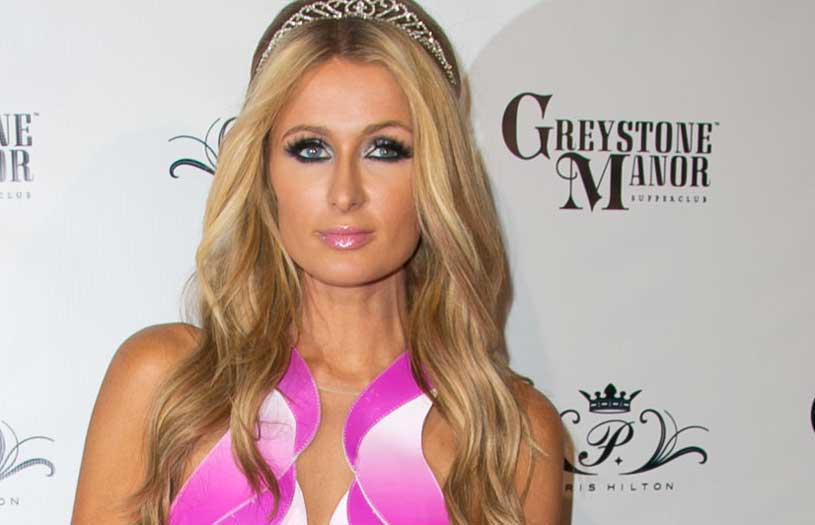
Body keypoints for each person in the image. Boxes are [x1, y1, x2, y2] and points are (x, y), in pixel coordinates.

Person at [71, 1, 564, 524]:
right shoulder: (165, 384)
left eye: (385, 149)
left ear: (438, 175)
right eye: (310, 150)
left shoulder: (509, 435)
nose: (344, 192)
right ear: (264, 171)